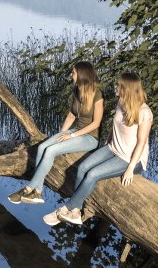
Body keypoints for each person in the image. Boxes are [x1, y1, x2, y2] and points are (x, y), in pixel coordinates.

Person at [44, 72, 153, 226]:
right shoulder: (121, 103)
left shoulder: (144, 112)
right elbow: (115, 126)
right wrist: (108, 141)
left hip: (131, 158)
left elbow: (141, 142)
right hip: (113, 148)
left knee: (93, 174)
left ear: (126, 89)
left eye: (119, 85)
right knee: (82, 167)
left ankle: (65, 209)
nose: (116, 87)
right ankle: (76, 212)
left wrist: (130, 168)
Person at [8, 61, 104, 205]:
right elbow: (71, 115)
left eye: (74, 72)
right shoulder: (77, 91)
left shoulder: (97, 94)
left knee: (51, 151)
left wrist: (71, 136)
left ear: (82, 75)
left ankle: (28, 189)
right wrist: (61, 134)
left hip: (90, 138)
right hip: (75, 130)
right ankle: (38, 193)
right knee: (42, 147)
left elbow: (96, 123)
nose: (71, 75)